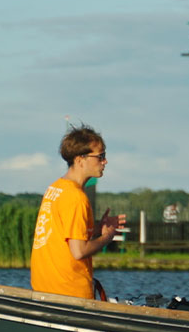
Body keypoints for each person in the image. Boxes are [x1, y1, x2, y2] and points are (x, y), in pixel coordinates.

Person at [30, 124, 123, 299]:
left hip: (44, 290)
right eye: (100, 156)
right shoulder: (76, 197)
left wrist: (97, 229)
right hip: (69, 293)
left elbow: (63, 234)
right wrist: (106, 237)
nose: (105, 161)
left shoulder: (55, 189)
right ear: (80, 160)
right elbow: (79, 251)